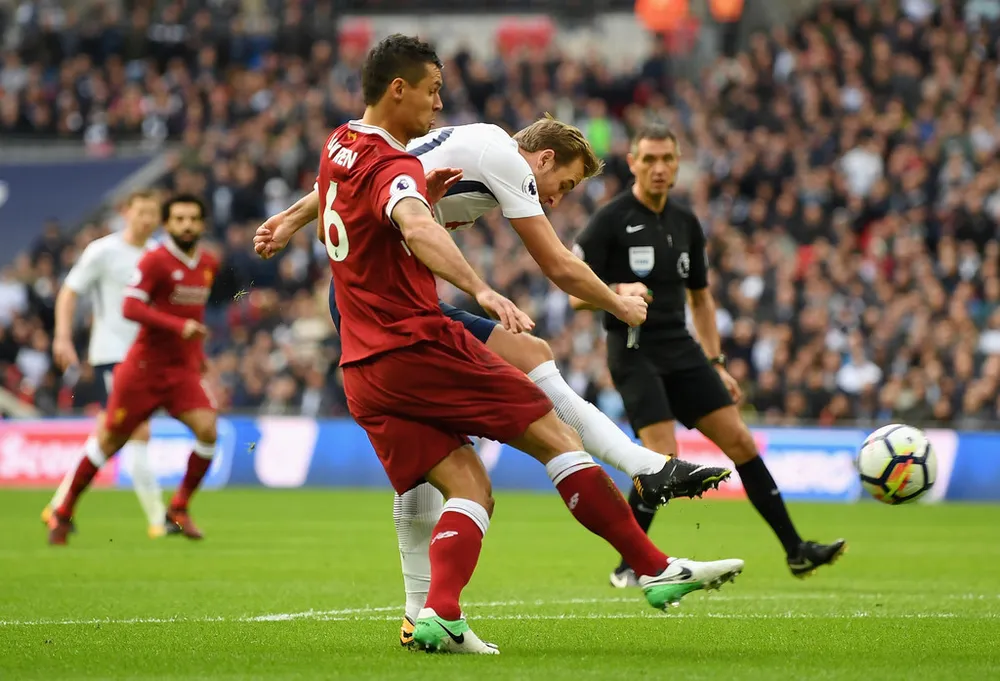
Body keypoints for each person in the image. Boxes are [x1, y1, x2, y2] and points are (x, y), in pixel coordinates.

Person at [306, 33, 744, 654]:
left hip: (361, 337)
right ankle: (649, 524)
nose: (439, 103)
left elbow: (345, 187)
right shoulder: (495, 162)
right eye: (560, 185)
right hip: (406, 323)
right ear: (540, 159)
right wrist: (598, 300)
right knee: (555, 437)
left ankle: (426, 616)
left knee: (458, 469)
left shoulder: (345, 143)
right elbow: (543, 261)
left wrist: (292, 219)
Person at [571, 124, 846, 585]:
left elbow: (701, 298)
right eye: (650, 159)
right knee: (662, 454)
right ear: (634, 163)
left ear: (678, 164)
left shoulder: (685, 222)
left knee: (740, 440)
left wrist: (717, 363)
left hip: (681, 348)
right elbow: (573, 289)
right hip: (634, 350)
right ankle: (632, 563)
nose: (659, 168)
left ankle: (796, 550)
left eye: (668, 159)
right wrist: (616, 290)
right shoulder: (610, 219)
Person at [46, 194, 220, 546]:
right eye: (179, 219)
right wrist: (63, 336)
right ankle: (63, 511)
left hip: (180, 368)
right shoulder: (149, 259)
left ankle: (178, 508)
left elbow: (195, 314)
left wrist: (197, 353)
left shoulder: (207, 264)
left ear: (201, 224)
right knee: (113, 439)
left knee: (207, 429)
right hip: (136, 365)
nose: (186, 225)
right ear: (167, 224)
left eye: (193, 219)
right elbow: (128, 306)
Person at [43, 191, 170, 539]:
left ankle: (58, 505)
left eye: (153, 212)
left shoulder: (159, 254)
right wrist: (62, 337)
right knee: (136, 429)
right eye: (141, 211)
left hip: (146, 356)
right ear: (125, 212)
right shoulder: (103, 250)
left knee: (109, 433)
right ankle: (159, 519)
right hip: (113, 354)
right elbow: (70, 292)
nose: (146, 219)